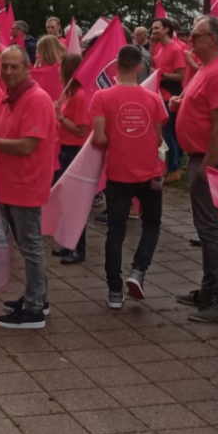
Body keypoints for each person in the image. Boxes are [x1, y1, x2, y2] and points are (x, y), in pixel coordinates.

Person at [0, 45, 57, 329]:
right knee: (27, 245)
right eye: (5, 66)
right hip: (11, 184)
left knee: (31, 246)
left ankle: (35, 309)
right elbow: (4, 132)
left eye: (14, 67)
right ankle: (37, 298)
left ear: (27, 67)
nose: (8, 72)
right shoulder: (12, 98)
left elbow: (27, 145)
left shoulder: (35, 99)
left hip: (26, 184)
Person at [172, 15, 218, 322]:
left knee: (212, 231)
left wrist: (209, 166)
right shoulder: (206, 70)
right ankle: (209, 290)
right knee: (206, 229)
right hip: (203, 157)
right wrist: (181, 104)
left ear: (213, 40)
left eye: (196, 36)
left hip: (212, 160)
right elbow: (201, 106)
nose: (190, 41)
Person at [90, 45, 167, 309]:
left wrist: (118, 139)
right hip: (150, 172)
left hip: (118, 174)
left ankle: (114, 291)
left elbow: (99, 138)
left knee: (115, 231)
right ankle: (138, 271)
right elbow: (158, 138)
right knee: (152, 225)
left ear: (115, 66)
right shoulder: (154, 99)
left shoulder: (101, 97)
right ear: (138, 68)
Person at [51, 52, 91, 265]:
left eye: (60, 68)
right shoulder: (69, 93)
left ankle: (78, 247)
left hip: (74, 151)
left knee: (74, 201)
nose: (57, 72)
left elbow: (81, 130)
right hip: (65, 149)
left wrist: (61, 117)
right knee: (65, 200)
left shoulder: (80, 96)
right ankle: (69, 243)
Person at [151, 17, 186, 183]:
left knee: (167, 133)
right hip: (161, 96)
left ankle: (174, 168)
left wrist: (161, 75)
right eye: (152, 28)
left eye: (156, 28)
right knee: (168, 132)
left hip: (169, 96)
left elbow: (180, 75)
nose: (153, 31)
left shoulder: (175, 49)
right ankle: (173, 166)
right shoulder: (160, 48)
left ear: (166, 29)